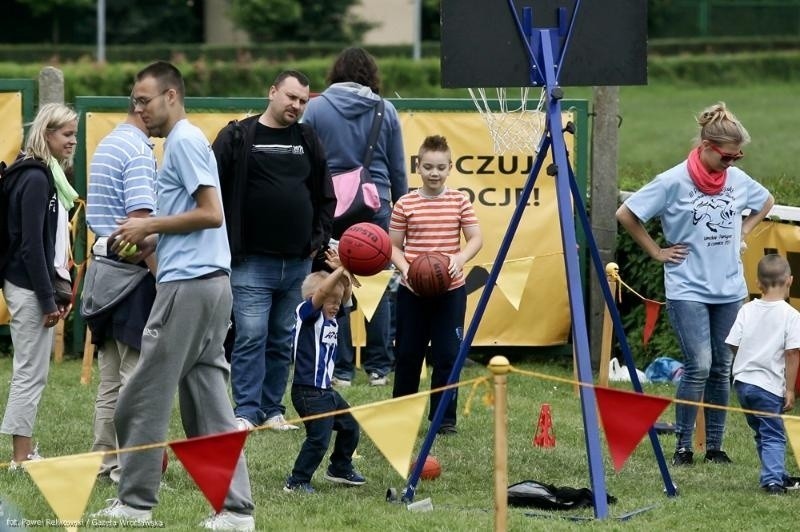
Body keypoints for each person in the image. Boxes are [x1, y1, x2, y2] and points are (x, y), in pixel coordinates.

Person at [91, 61, 255, 531]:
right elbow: (191, 218)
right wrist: (150, 241)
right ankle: (236, 512)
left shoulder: (183, 141)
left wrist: (150, 224)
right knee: (209, 405)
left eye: (144, 100)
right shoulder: (182, 143)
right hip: (207, 285)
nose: (137, 109)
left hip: (190, 287)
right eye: (134, 101)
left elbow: (211, 214)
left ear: (171, 96)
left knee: (139, 396)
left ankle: (136, 504)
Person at [616, 102, 775, 466]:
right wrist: (657, 251)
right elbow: (626, 213)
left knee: (722, 367)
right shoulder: (672, 181)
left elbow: (765, 201)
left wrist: (742, 231)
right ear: (705, 145)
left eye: (737, 158)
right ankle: (683, 446)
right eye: (726, 157)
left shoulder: (736, 180)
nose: (732, 164)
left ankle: (715, 447)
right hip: (687, 287)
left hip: (730, 289)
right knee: (699, 364)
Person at [212, 71, 335, 432]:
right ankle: (246, 412)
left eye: (302, 101)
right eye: (290, 97)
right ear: (272, 92)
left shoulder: (308, 138)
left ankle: (272, 410)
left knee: (282, 338)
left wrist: (318, 240)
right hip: (250, 262)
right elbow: (209, 191)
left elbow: (326, 196)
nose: (296, 105)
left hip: (297, 263)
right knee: (251, 335)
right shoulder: (238, 136)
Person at [302, 46, 407, 387]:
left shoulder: (315, 108)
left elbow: (304, 163)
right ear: (371, 76)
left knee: (335, 281)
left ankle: (342, 368)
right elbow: (397, 169)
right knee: (379, 288)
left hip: (329, 208)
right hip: (375, 209)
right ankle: (379, 367)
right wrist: (402, 211)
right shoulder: (385, 109)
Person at [389, 135, 483, 435]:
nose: (434, 173)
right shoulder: (405, 203)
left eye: (440, 168)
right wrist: (407, 270)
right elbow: (393, 247)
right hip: (412, 292)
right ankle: (401, 416)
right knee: (407, 355)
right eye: (428, 166)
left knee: (447, 355)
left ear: (450, 168)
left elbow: (476, 239)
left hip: (450, 291)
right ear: (418, 166)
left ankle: (443, 420)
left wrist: (459, 258)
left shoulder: (459, 201)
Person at [1, 103, 78, 469]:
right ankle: (21, 456)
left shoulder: (42, 175)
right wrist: (48, 299)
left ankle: (24, 449)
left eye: (75, 135)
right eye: (66, 135)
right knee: (30, 371)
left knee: (34, 371)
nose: (72, 142)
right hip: (27, 284)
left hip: (31, 283)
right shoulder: (35, 179)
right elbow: (32, 245)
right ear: (47, 134)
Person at [84, 103, 157, 483]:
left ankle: (103, 459)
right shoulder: (138, 152)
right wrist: (163, 277)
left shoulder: (109, 143)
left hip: (103, 273)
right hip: (131, 277)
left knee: (111, 378)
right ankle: (128, 465)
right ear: (145, 106)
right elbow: (140, 229)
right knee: (134, 377)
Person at [284, 249, 365, 493]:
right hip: (308, 391)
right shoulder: (307, 314)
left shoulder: (331, 316)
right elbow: (322, 293)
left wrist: (345, 270)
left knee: (350, 426)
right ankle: (297, 481)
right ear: (315, 298)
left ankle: (339, 467)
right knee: (319, 438)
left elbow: (346, 294)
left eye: (338, 302)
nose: (336, 306)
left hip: (325, 391)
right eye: (332, 301)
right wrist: (339, 270)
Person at [725, 254, 800, 494]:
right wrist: (789, 389)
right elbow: (792, 354)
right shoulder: (791, 315)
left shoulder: (746, 310)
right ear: (790, 280)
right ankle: (773, 481)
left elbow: (732, 344)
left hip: (743, 384)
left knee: (762, 432)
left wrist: (748, 356)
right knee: (774, 434)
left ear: (758, 283)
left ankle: (777, 473)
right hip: (768, 386)